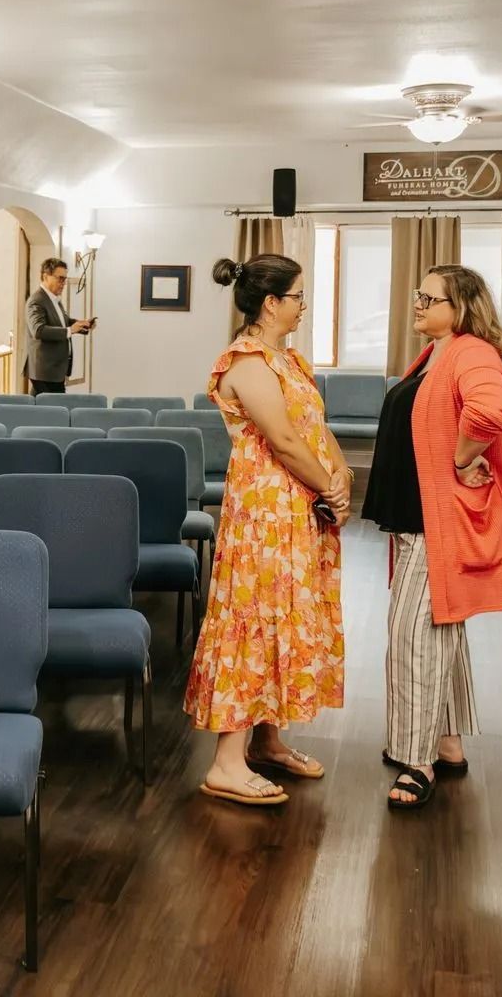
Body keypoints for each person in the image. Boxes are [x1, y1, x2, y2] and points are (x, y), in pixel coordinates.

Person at [184, 254, 349, 807]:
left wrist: (342, 472)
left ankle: (267, 740)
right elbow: (281, 440)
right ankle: (226, 764)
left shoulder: (288, 358)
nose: (304, 304)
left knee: (285, 618)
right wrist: (329, 487)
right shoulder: (247, 361)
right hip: (264, 512)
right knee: (253, 620)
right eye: (298, 295)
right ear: (271, 302)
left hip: (296, 506)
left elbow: (313, 428)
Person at [363, 265, 502, 809]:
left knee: (411, 635)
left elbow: (489, 411)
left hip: (442, 521)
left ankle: (417, 759)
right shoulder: (439, 350)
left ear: (462, 307)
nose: (419, 304)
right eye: (418, 294)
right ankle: (448, 744)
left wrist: (462, 458)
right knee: (439, 628)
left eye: (430, 298)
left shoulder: (472, 352)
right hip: (419, 516)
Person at [24, 256, 92, 395]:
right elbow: (38, 330)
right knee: (51, 411)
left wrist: (81, 325)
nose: (63, 283)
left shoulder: (54, 298)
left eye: (65, 279)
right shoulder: (36, 300)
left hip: (54, 370)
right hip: (44, 371)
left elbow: (62, 321)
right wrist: (69, 330)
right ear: (45, 276)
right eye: (60, 278)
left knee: (47, 410)